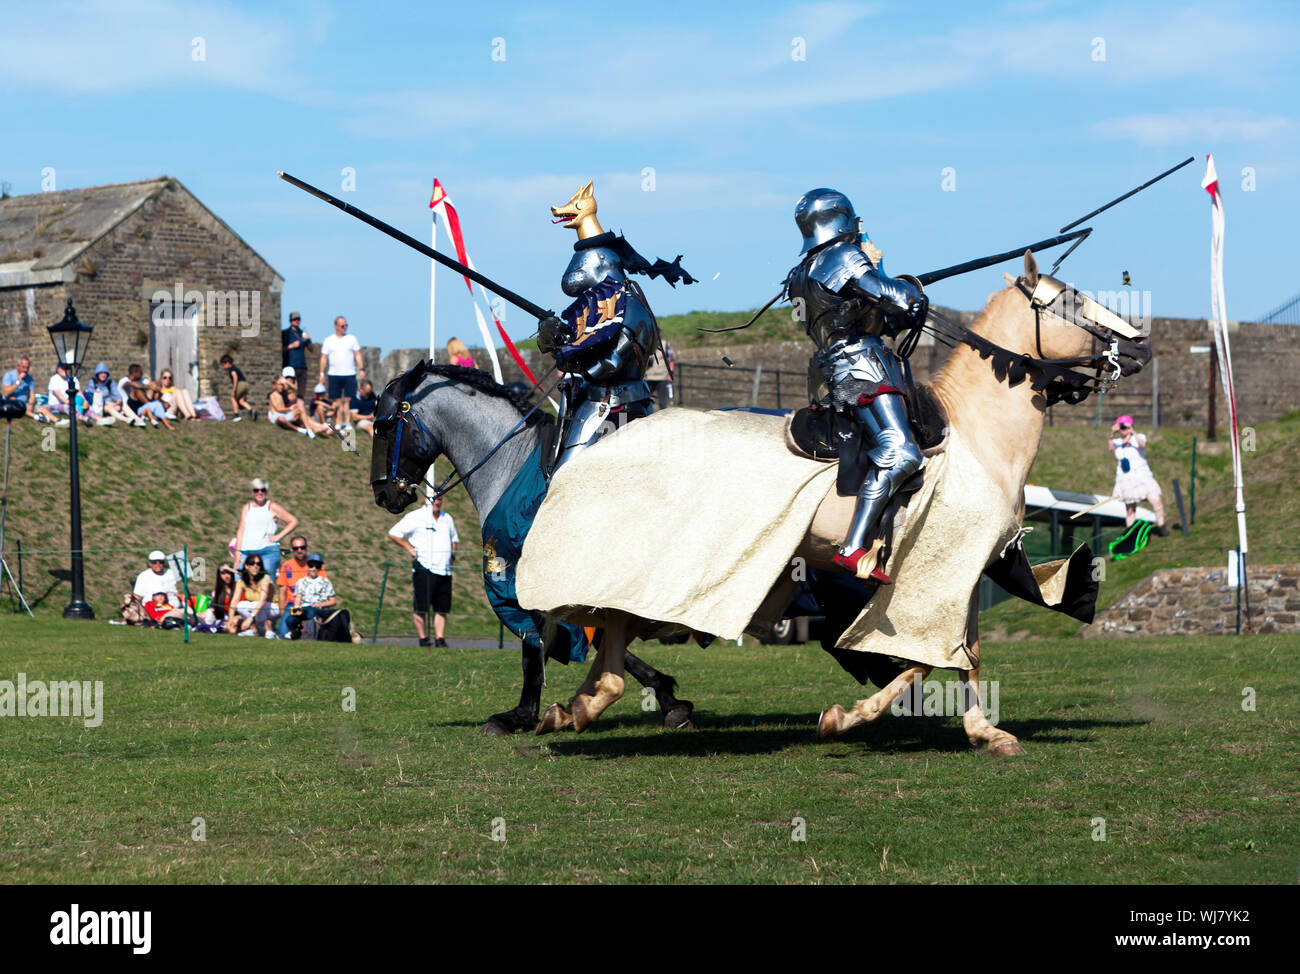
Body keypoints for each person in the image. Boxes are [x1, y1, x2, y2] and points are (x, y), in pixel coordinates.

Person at [784, 188, 928, 583]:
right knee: (901, 451)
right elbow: (899, 301)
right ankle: (853, 546)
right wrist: (903, 282)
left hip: (830, 371)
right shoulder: (843, 257)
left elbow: (873, 317)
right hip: (864, 367)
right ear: (842, 219)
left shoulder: (803, 272)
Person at [535, 180, 694, 475]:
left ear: (600, 265)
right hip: (590, 402)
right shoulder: (594, 309)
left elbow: (612, 361)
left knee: (566, 477)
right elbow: (574, 350)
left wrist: (578, 365)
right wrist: (553, 337)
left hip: (615, 405)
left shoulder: (629, 307)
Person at [387, 494, 459, 649]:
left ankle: (440, 639)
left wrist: (452, 556)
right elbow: (394, 533)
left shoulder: (447, 518)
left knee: (442, 607)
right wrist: (409, 548)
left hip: (444, 570)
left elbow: (454, 539)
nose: (437, 502)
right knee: (421, 606)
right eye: (434, 499)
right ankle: (423, 638)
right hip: (424, 567)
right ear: (426, 500)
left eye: (440, 499)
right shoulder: (415, 517)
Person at [1109, 415, 1170, 536]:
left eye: (1125, 427)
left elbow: (1142, 445)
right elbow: (1111, 449)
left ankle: (1161, 526)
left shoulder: (1138, 437)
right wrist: (1112, 433)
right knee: (1130, 509)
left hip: (1143, 477)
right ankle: (1130, 534)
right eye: (1121, 427)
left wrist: (1133, 432)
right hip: (1126, 479)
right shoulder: (1116, 442)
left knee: (1156, 500)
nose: (1123, 430)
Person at [234, 477, 298, 579]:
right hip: (246, 551)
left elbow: (293, 521)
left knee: (266, 585)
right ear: (253, 492)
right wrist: (237, 552)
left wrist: (278, 537)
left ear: (266, 491)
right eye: (256, 490)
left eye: (262, 490)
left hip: (267, 551)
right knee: (238, 580)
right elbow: (241, 530)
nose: (260, 493)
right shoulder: (247, 507)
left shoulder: (272, 506)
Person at [274, 536, 329, 636]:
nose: (299, 550)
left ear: (307, 548)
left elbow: (325, 589)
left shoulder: (316, 565)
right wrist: (282, 611)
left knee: (313, 620)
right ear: (291, 549)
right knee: (282, 634)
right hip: (294, 605)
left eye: (302, 547)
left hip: (313, 604)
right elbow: (282, 591)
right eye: (296, 548)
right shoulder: (287, 566)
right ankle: (293, 632)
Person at [319, 316, 364, 427]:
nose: (345, 327)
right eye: (342, 325)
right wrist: (321, 373)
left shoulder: (351, 338)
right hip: (334, 374)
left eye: (346, 325)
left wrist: (362, 369)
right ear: (336, 326)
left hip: (349, 373)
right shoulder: (329, 340)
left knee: (349, 399)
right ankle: (338, 422)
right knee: (336, 400)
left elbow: (357, 354)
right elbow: (323, 357)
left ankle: (347, 422)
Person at [279, 552, 337, 639]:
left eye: (317, 566)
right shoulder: (301, 582)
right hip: (304, 608)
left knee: (311, 612)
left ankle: (306, 633)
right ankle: (294, 633)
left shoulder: (326, 582)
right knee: (290, 619)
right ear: (307, 566)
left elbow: (333, 601)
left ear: (320, 568)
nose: (313, 569)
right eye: (311, 565)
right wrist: (296, 609)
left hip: (318, 608)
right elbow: (298, 599)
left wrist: (321, 604)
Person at [226, 554, 278, 637]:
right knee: (240, 605)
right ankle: (255, 630)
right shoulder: (242, 581)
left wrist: (250, 618)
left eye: (258, 564)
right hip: (256, 609)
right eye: (252, 563)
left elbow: (262, 601)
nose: (255, 566)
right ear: (246, 566)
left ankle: (268, 630)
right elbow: (235, 601)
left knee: (255, 605)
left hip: (272, 607)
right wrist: (230, 620)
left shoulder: (265, 578)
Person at [84, 362, 136, 426]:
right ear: (97, 374)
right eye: (101, 373)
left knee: (123, 404)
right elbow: (93, 396)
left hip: (112, 404)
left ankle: (137, 419)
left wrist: (118, 400)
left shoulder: (110, 382)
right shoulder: (92, 382)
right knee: (109, 407)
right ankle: (126, 419)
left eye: (105, 373)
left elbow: (116, 393)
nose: (103, 375)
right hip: (99, 407)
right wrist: (108, 403)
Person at [283, 312, 312, 401]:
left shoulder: (302, 333)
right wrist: (291, 346)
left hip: (302, 366)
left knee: (301, 393)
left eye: (298, 319)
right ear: (290, 320)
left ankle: (300, 411)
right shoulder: (285, 333)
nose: (296, 321)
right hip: (290, 366)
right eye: (294, 319)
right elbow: (280, 349)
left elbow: (311, 349)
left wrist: (308, 339)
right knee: (289, 390)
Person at [220, 354, 254, 420]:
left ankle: (236, 415)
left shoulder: (231, 369)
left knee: (233, 397)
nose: (223, 367)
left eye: (223, 365)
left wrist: (234, 389)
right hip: (246, 384)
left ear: (227, 363)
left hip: (240, 384)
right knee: (241, 401)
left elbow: (235, 377)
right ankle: (251, 411)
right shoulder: (235, 367)